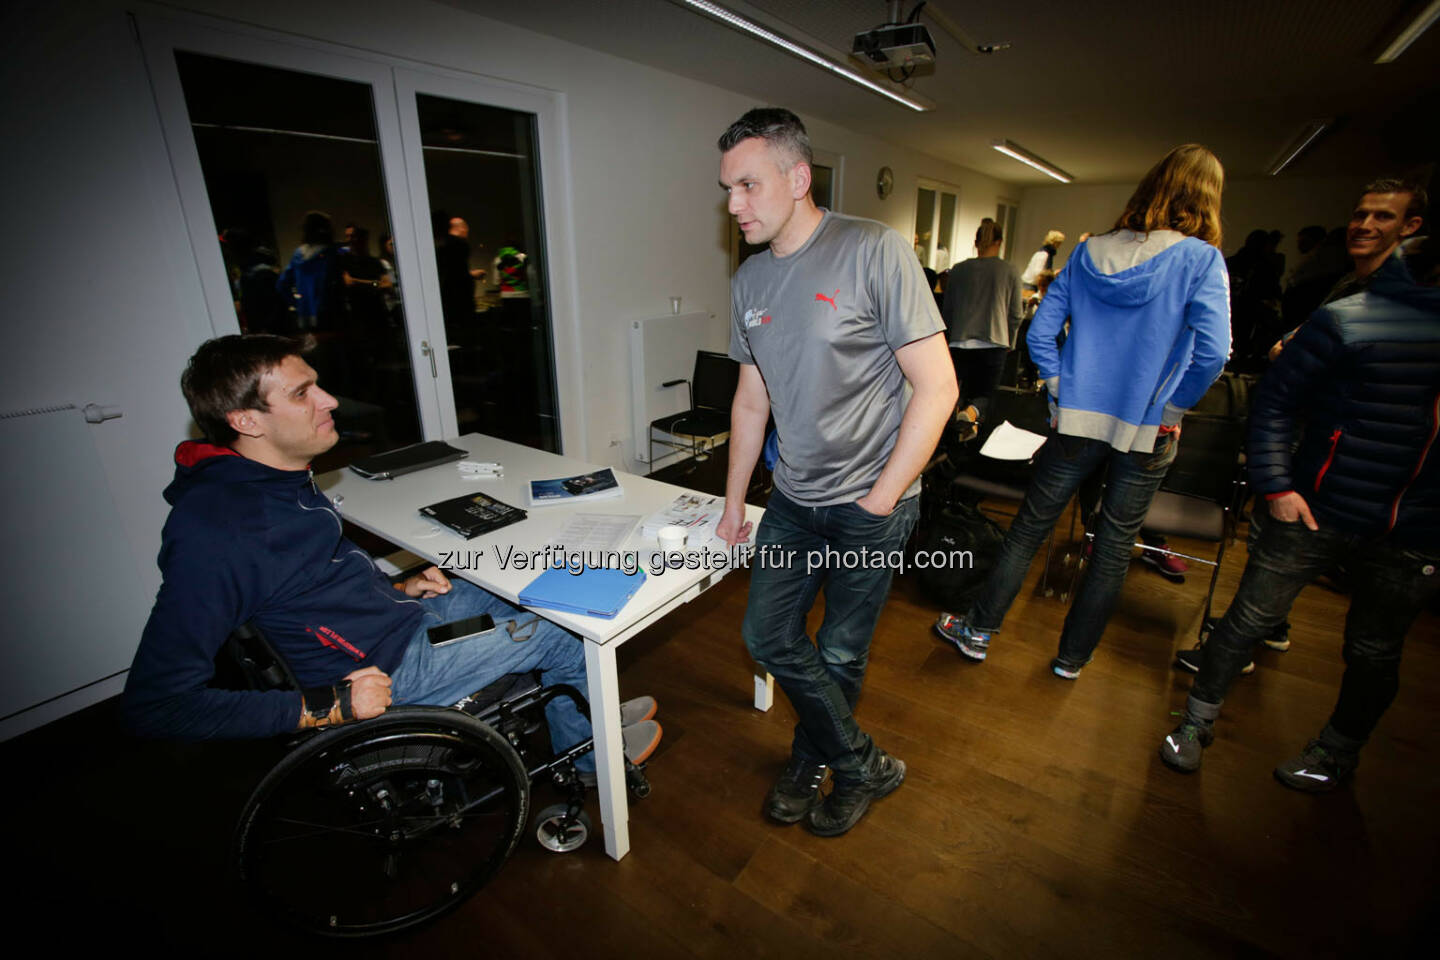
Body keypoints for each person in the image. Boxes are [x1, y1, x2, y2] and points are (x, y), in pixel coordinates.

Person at [123, 335, 661, 776]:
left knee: (504, 574)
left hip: (395, 622)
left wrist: (396, 588)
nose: (329, 400)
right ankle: (595, 761)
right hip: (385, 669)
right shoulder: (219, 533)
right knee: (565, 631)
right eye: (302, 393)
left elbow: (308, 588)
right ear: (247, 421)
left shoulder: (268, 480)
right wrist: (323, 707)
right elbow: (157, 704)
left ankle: (592, 714)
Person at [714, 108, 957, 836]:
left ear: (797, 177)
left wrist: (882, 498)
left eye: (748, 186)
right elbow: (751, 401)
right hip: (792, 498)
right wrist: (733, 503)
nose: (733, 205)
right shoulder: (749, 281)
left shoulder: (872, 250)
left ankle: (812, 760)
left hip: (871, 501)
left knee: (841, 651)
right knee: (767, 638)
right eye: (727, 188)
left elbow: (938, 387)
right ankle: (860, 762)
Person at [934, 144, 1231, 678]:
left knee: (1028, 530)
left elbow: (1042, 333)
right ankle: (1071, 659)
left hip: (1076, 422)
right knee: (1113, 544)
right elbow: (1212, 353)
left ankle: (977, 631)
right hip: (1148, 429)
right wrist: (1173, 408)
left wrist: (1058, 390)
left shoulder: (1091, 253)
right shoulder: (1201, 261)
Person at [1159, 227, 1438, 791]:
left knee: (1375, 651)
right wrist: (1277, 486)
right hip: (1316, 508)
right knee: (1247, 622)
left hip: (1415, 531)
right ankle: (1194, 723)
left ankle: (1337, 751)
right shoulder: (1347, 318)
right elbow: (1275, 401)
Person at [941, 218, 1024, 431]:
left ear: (976, 242)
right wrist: (1010, 342)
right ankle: (970, 417)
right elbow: (1016, 314)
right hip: (993, 342)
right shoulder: (1010, 271)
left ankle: (950, 428)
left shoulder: (958, 270)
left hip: (959, 342)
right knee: (984, 396)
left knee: (954, 392)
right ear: (999, 242)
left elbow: (947, 311)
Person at [276, 211, 342, 332]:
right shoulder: (333, 253)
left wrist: (298, 304)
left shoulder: (298, 254)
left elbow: (282, 285)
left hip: (305, 316)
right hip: (330, 314)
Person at [1021, 229, 1065, 295]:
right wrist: (1052, 274)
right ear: (1055, 243)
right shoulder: (1044, 255)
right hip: (1030, 287)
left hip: (1030, 285)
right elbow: (1038, 273)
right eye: (1059, 243)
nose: (1059, 246)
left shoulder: (1042, 253)